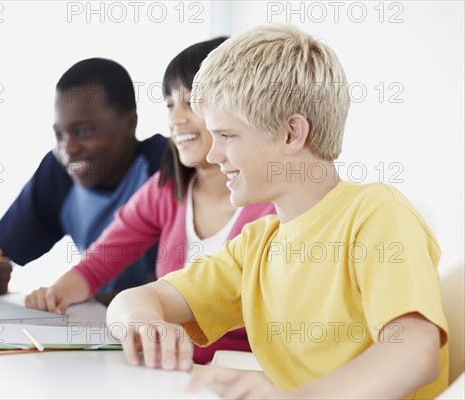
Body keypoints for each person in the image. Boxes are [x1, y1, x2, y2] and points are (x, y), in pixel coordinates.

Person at [106, 25, 449, 399]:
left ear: (291, 134)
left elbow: (415, 353)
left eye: (227, 136)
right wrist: (141, 321)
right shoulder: (255, 245)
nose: (212, 155)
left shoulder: (377, 213)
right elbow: (137, 300)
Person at [24, 38, 276, 364]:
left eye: (191, 103)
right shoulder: (167, 187)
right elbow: (104, 257)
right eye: (170, 104)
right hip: (172, 370)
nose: (177, 119)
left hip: (245, 378)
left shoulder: (274, 206)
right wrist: (59, 293)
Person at [0, 58, 168, 298]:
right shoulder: (60, 171)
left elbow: (172, 284)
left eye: (85, 132)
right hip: (94, 324)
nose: (69, 148)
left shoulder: (168, 165)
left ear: (130, 123)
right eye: (60, 135)